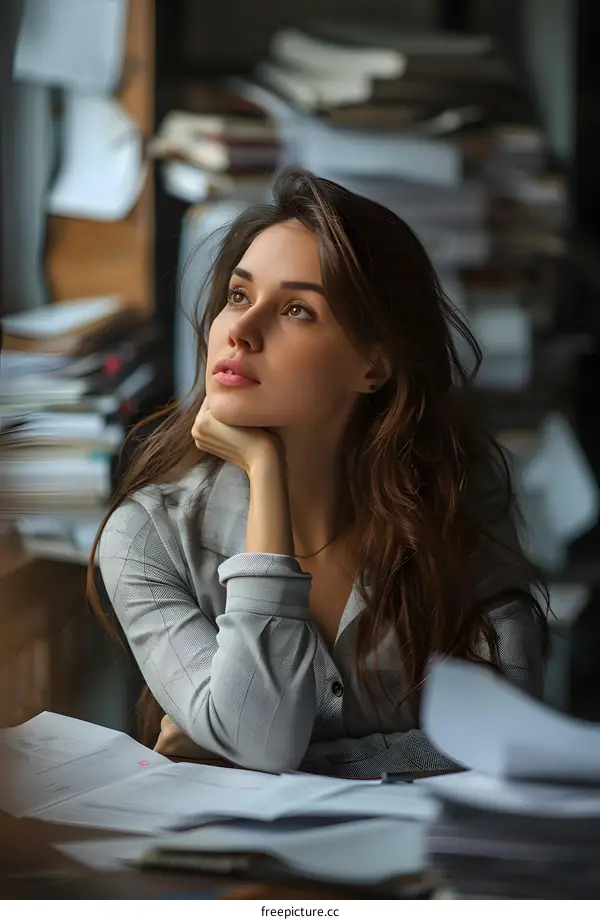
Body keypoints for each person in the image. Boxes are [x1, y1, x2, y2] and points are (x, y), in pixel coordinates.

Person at [88, 168, 548, 778]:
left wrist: (293, 754)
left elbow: (514, 735)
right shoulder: (148, 537)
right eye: (238, 296)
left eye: (297, 310)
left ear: (373, 366)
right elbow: (259, 739)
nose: (241, 332)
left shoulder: (458, 497)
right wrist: (263, 470)